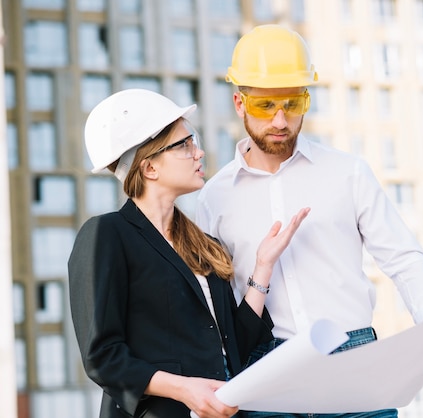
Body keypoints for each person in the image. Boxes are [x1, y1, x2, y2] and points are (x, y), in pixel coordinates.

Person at [196, 25, 423, 417]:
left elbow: (404, 257)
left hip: (354, 361)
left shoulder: (348, 173)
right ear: (240, 103)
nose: (280, 120)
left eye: (293, 104)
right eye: (265, 107)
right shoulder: (213, 198)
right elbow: (213, 306)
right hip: (264, 375)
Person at [68, 88, 309, 418]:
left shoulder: (204, 245)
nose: (200, 152)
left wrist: (263, 267)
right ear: (149, 167)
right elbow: (103, 356)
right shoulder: (107, 235)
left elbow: (234, 346)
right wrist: (184, 388)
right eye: (185, 144)